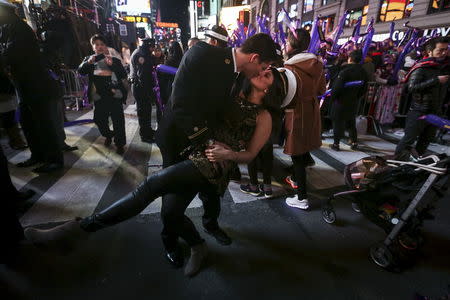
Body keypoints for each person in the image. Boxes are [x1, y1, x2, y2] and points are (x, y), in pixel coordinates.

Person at [24, 68, 286, 277]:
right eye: (261, 69)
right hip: (194, 156)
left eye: (269, 74)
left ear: (273, 86)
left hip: (216, 166)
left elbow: (250, 155)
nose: (262, 73)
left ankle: (77, 231)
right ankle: (198, 246)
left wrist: (228, 154)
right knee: (170, 213)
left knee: (151, 187)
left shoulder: (264, 116)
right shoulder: (230, 95)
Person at [155, 33, 278, 269]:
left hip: (211, 146)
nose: (262, 72)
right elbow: (179, 103)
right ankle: (170, 241)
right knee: (170, 202)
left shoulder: (240, 77)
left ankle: (211, 225)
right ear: (254, 57)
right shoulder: (201, 53)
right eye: (263, 66)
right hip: (178, 140)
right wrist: (209, 141)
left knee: (211, 193)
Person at [0, 0, 64, 173]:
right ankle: (38, 155)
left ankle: (54, 159)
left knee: (44, 123)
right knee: (28, 123)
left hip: (35, 84)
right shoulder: (7, 29)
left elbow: (10, 54)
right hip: (22, 84)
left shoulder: (20, 29)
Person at [282, 28, 326, 210]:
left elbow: (283, 96)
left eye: (287, 41)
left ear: (293, 44)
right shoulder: (317, 63)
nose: (285, 44)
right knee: (302, 152)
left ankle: (302, 198)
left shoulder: (289, 67)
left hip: (296, 112)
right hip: (312, 111)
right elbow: (322, 90)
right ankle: (298, 186)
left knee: (297, 156)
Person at [395, 37, 449, 157]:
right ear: (430, 51)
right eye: (440, 50)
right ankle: (395, 164)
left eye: (446, 49)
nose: (444, 53)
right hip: (419, 111)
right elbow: (411, 87)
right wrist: (435, 80)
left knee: (425, 141)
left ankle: (414, 166)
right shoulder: (422, 67)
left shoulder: (444, 66)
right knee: (408, 140)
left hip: (436, 112)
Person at [78, 34, 128, 155]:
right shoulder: (89, 59)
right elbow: (80, 70)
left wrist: (112, 65)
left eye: (102, 44)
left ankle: (120, 144)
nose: (99, 47)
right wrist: (88, 63)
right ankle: (109, 134)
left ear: (106, 46)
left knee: (118, 120)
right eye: (97, 44)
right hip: (98, 95)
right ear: (93, 47)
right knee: (99, 119)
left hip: (114, 93)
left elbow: (123, 74)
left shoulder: (114, 60)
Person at [329, 49, 368, 151]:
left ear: (350, 58)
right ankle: (354, 142)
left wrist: (333, 98)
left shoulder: (345, 71)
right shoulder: (363, 72)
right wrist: (356, 97)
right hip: (353, 101)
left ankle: (336, 144)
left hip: (340, 101)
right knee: (351, 122)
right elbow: (364, 88)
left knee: (337, 122)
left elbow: (336, 87)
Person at [129, 38, 157, 143]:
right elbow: (142, 76)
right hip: (140, 87)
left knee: (147, 110)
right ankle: (145, 135)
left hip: (142, 86)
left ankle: (148, 131)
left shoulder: (143, 52)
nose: (153, 49)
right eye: (152, 47)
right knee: (143, 111)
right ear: (148, 46)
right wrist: (149, 92)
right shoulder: (141, 55)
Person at [0, 64, 27, 150]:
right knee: (9, 123)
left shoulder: (3, 77)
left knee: (9, 123)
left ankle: (17, 142)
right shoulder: (4, 75)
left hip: (6, 101)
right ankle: (17, 142)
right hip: (7, 101)